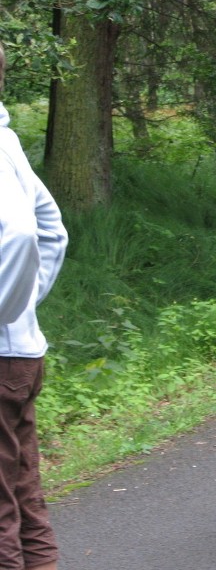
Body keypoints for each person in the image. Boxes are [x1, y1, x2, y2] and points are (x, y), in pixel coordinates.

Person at [0, 43, 67, 570]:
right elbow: (52, 230)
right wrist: (21, 304)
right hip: (18, 352)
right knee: (25, 503)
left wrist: (7, 308)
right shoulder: (6, 139)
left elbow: (23, 234)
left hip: (4, 355)